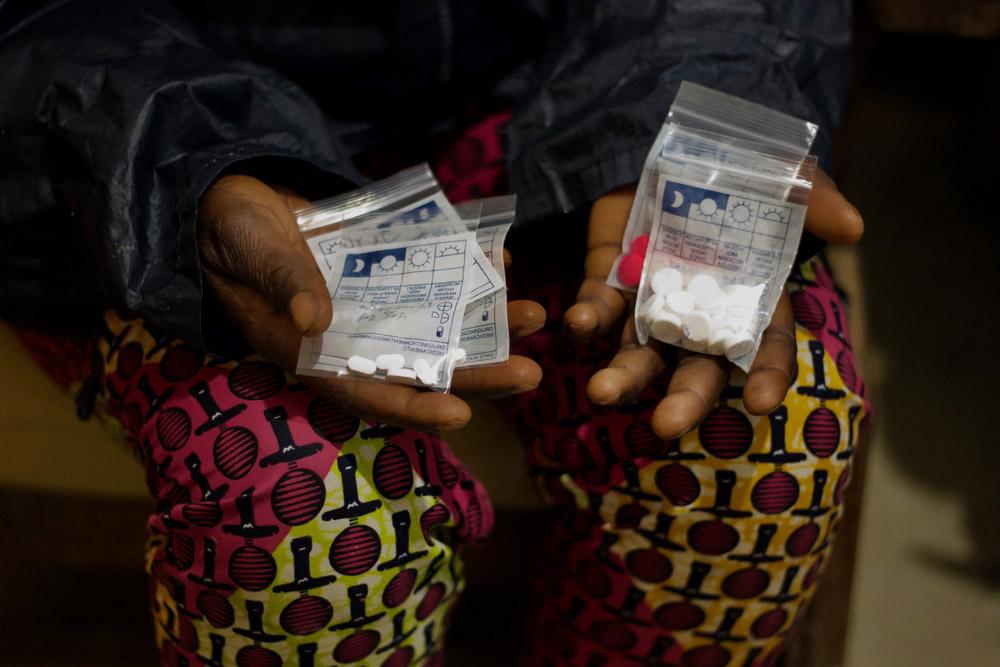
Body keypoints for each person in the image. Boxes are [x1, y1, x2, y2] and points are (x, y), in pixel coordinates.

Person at [0, 2, 868, 665]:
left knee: (770, 428)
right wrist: (186, 171)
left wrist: (696, 103)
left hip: (545, 103)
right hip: (132, 145)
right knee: (305, 508)